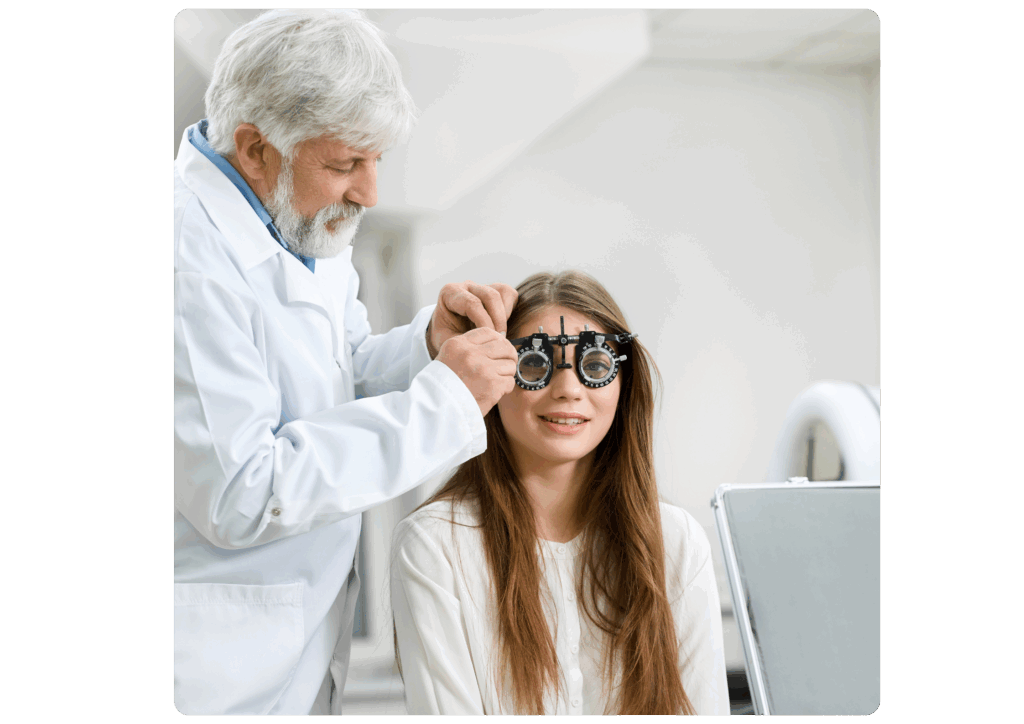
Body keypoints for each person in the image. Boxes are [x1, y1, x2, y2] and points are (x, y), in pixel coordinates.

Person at [173, 10, 519, 715]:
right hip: (211, 678)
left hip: (292, 657)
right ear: (255, 148)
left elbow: (342, 371)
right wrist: (445, 404)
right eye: (344, 165)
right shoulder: (182, 260)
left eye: (376, 161)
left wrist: (428, 344)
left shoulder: (294, 219)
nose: (370, 192)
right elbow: (240, 493)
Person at [391, 270, 730, 715]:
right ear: (494, 376)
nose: (569, 390)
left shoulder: (677, 542)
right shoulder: (435, 546)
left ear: (624, 383)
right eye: (535, 364)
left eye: (595, 366)